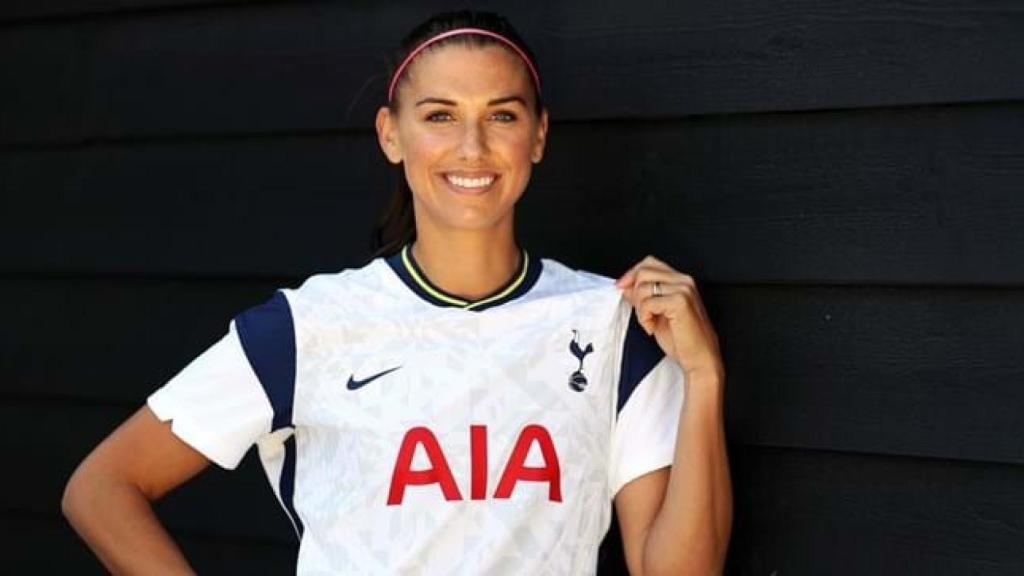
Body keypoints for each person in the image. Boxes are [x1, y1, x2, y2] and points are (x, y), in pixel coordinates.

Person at [62, 10, 732, 575]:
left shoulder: (611, 326)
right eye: (440, 115)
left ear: (538, 136)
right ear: (391, 134)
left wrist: (702, 376)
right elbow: (102, 489)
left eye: (501, 116)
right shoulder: (310, 328)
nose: (472, 147)